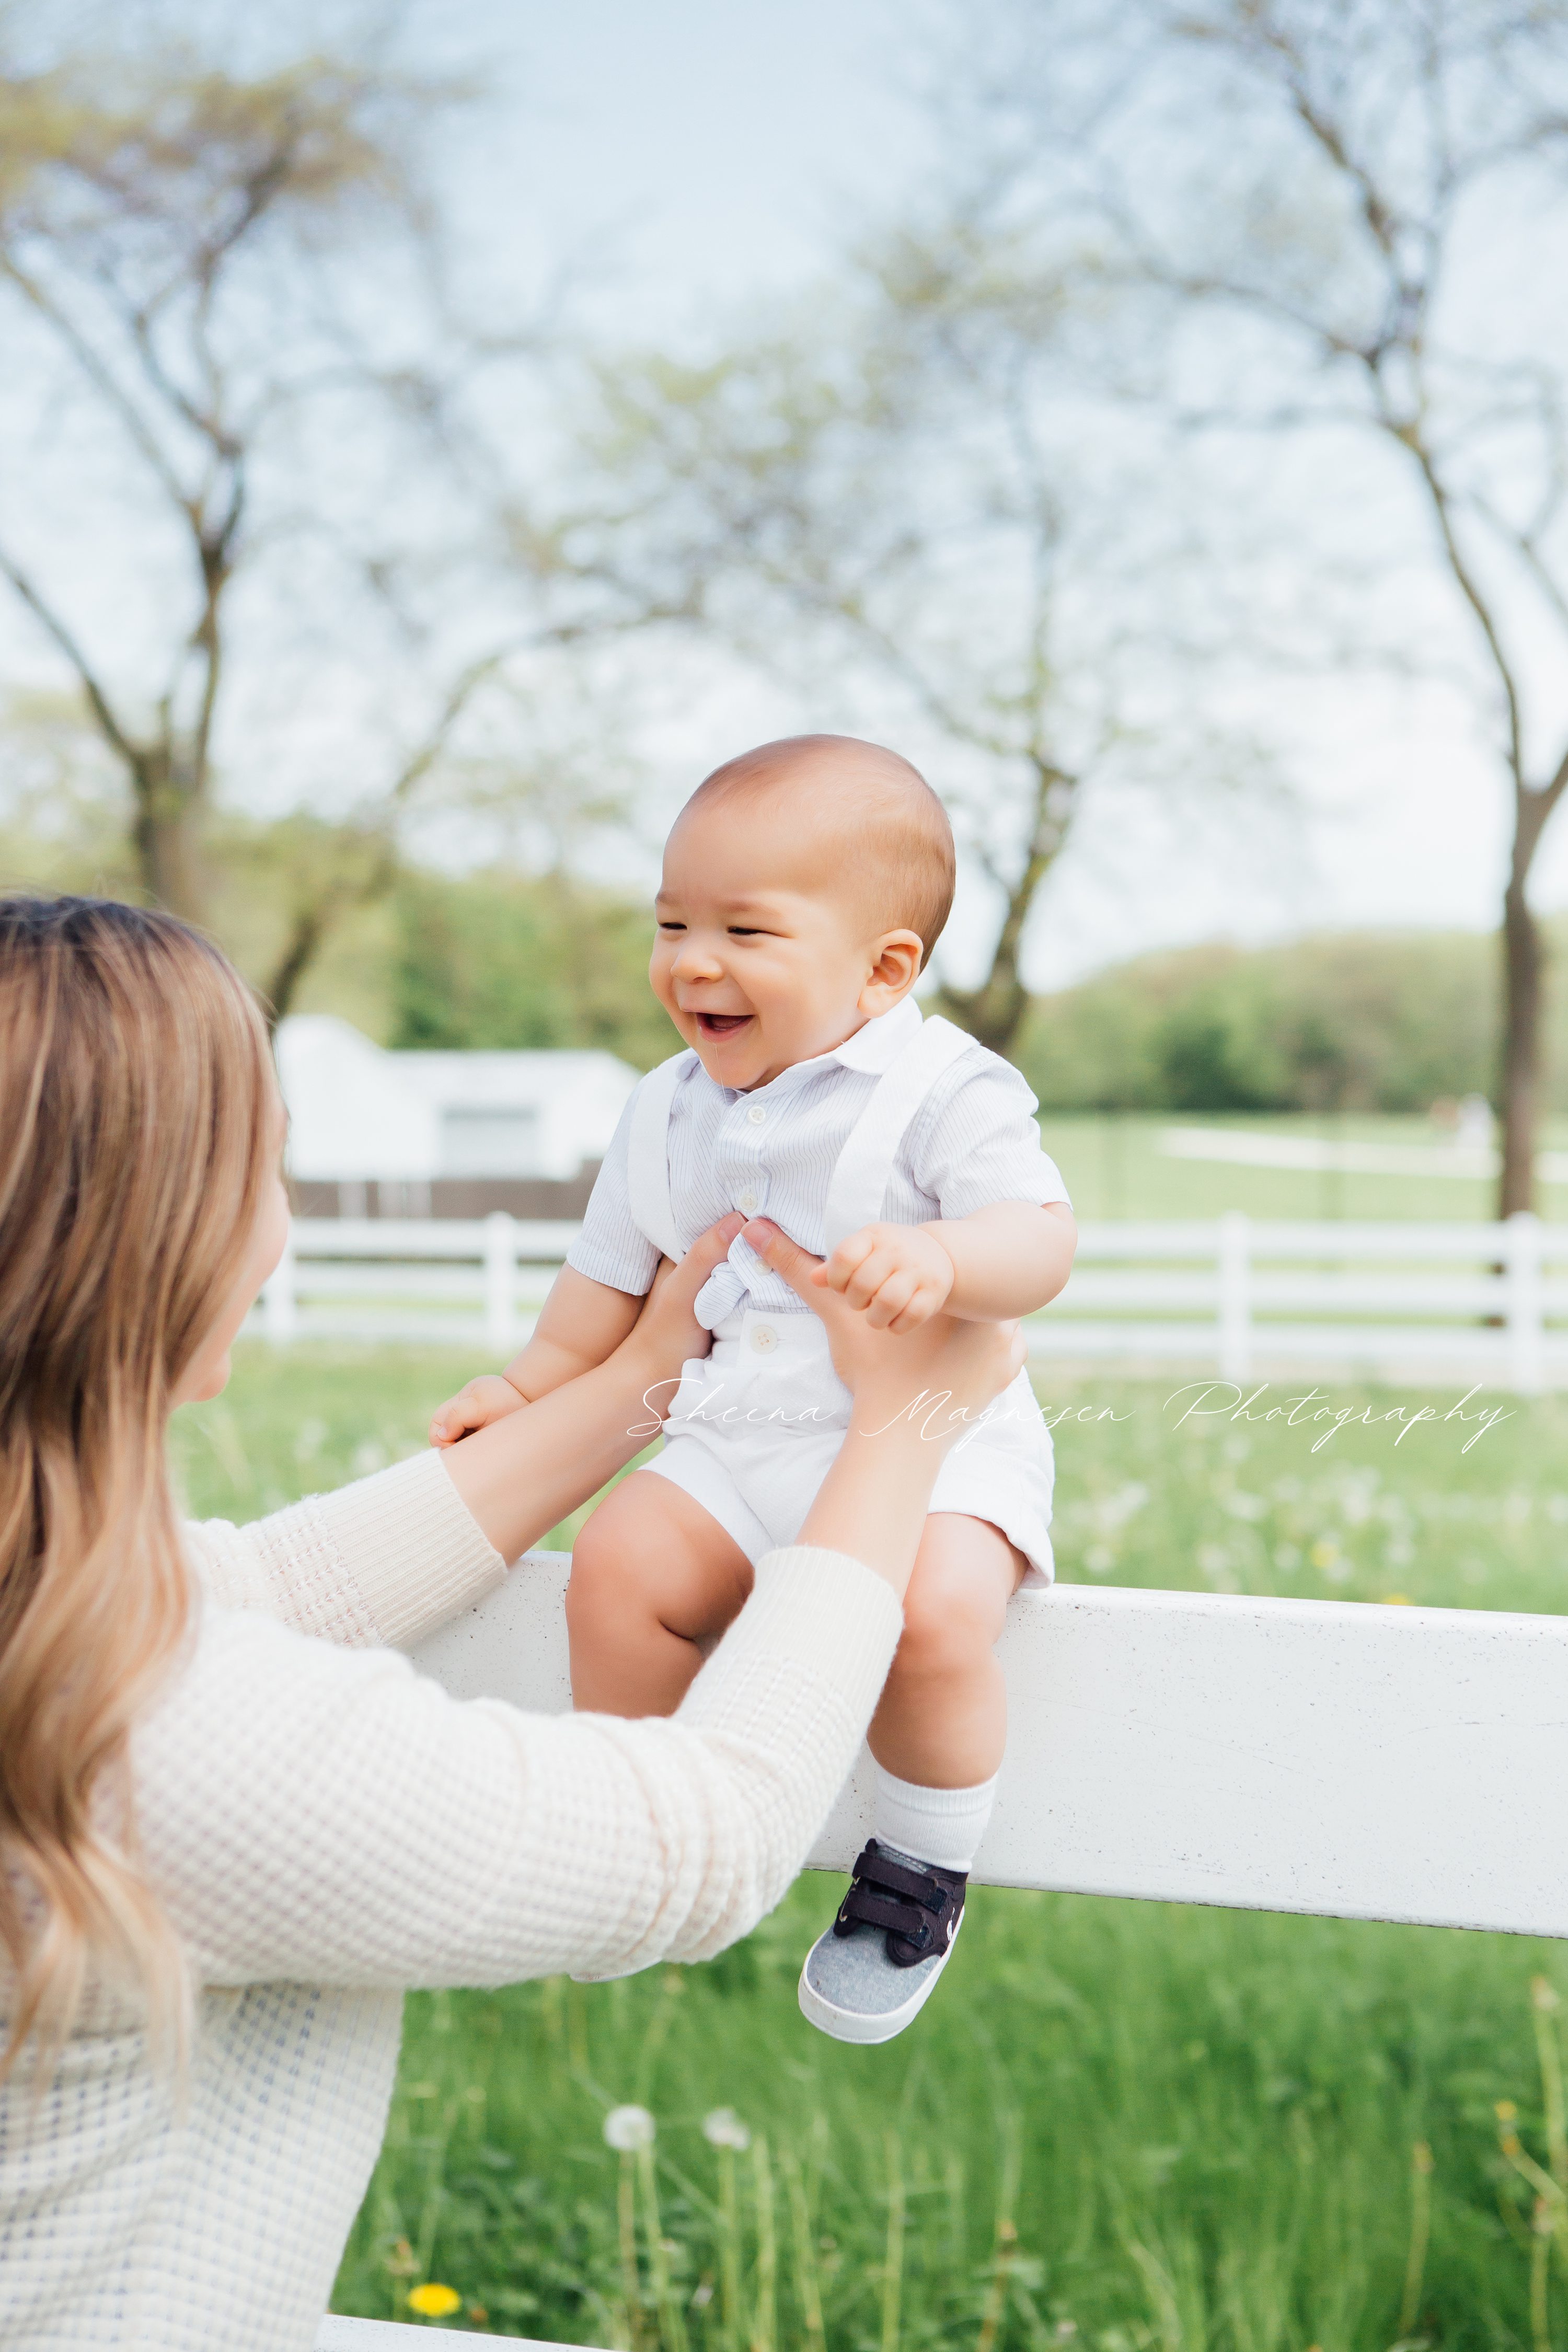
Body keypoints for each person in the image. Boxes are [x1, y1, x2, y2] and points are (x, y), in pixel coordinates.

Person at [0, 895, 1021, 2352]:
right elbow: (705, 1836)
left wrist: (650, 1374)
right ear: (150, 1236)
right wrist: (902, 1433)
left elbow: (283, 1586)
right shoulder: (151, 1743)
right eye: (265, 1160)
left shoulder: (56, 1622)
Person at [429, 735, 1076, 2043]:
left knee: (938, 1616)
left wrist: (946, 1254)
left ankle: (918, 1869)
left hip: (932, 1442)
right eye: (671, 923)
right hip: (742, 1435)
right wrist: (528, 1384)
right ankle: (638, 1831)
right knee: (620, 1563)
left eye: (745, 930)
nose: (692, 961)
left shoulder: (944, 1093)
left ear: (884, 968)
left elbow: (1043, 1240)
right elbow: (605, 1287)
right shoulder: (665, 1112)